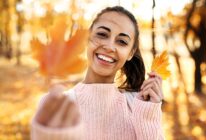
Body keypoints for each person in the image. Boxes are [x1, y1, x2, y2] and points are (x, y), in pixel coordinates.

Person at [31, 6, 164, 140]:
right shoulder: (58, 105)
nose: (109, 47)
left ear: (130, 53)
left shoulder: (140, 106)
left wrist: (148, 118)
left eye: (122, 41)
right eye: (102, 34)